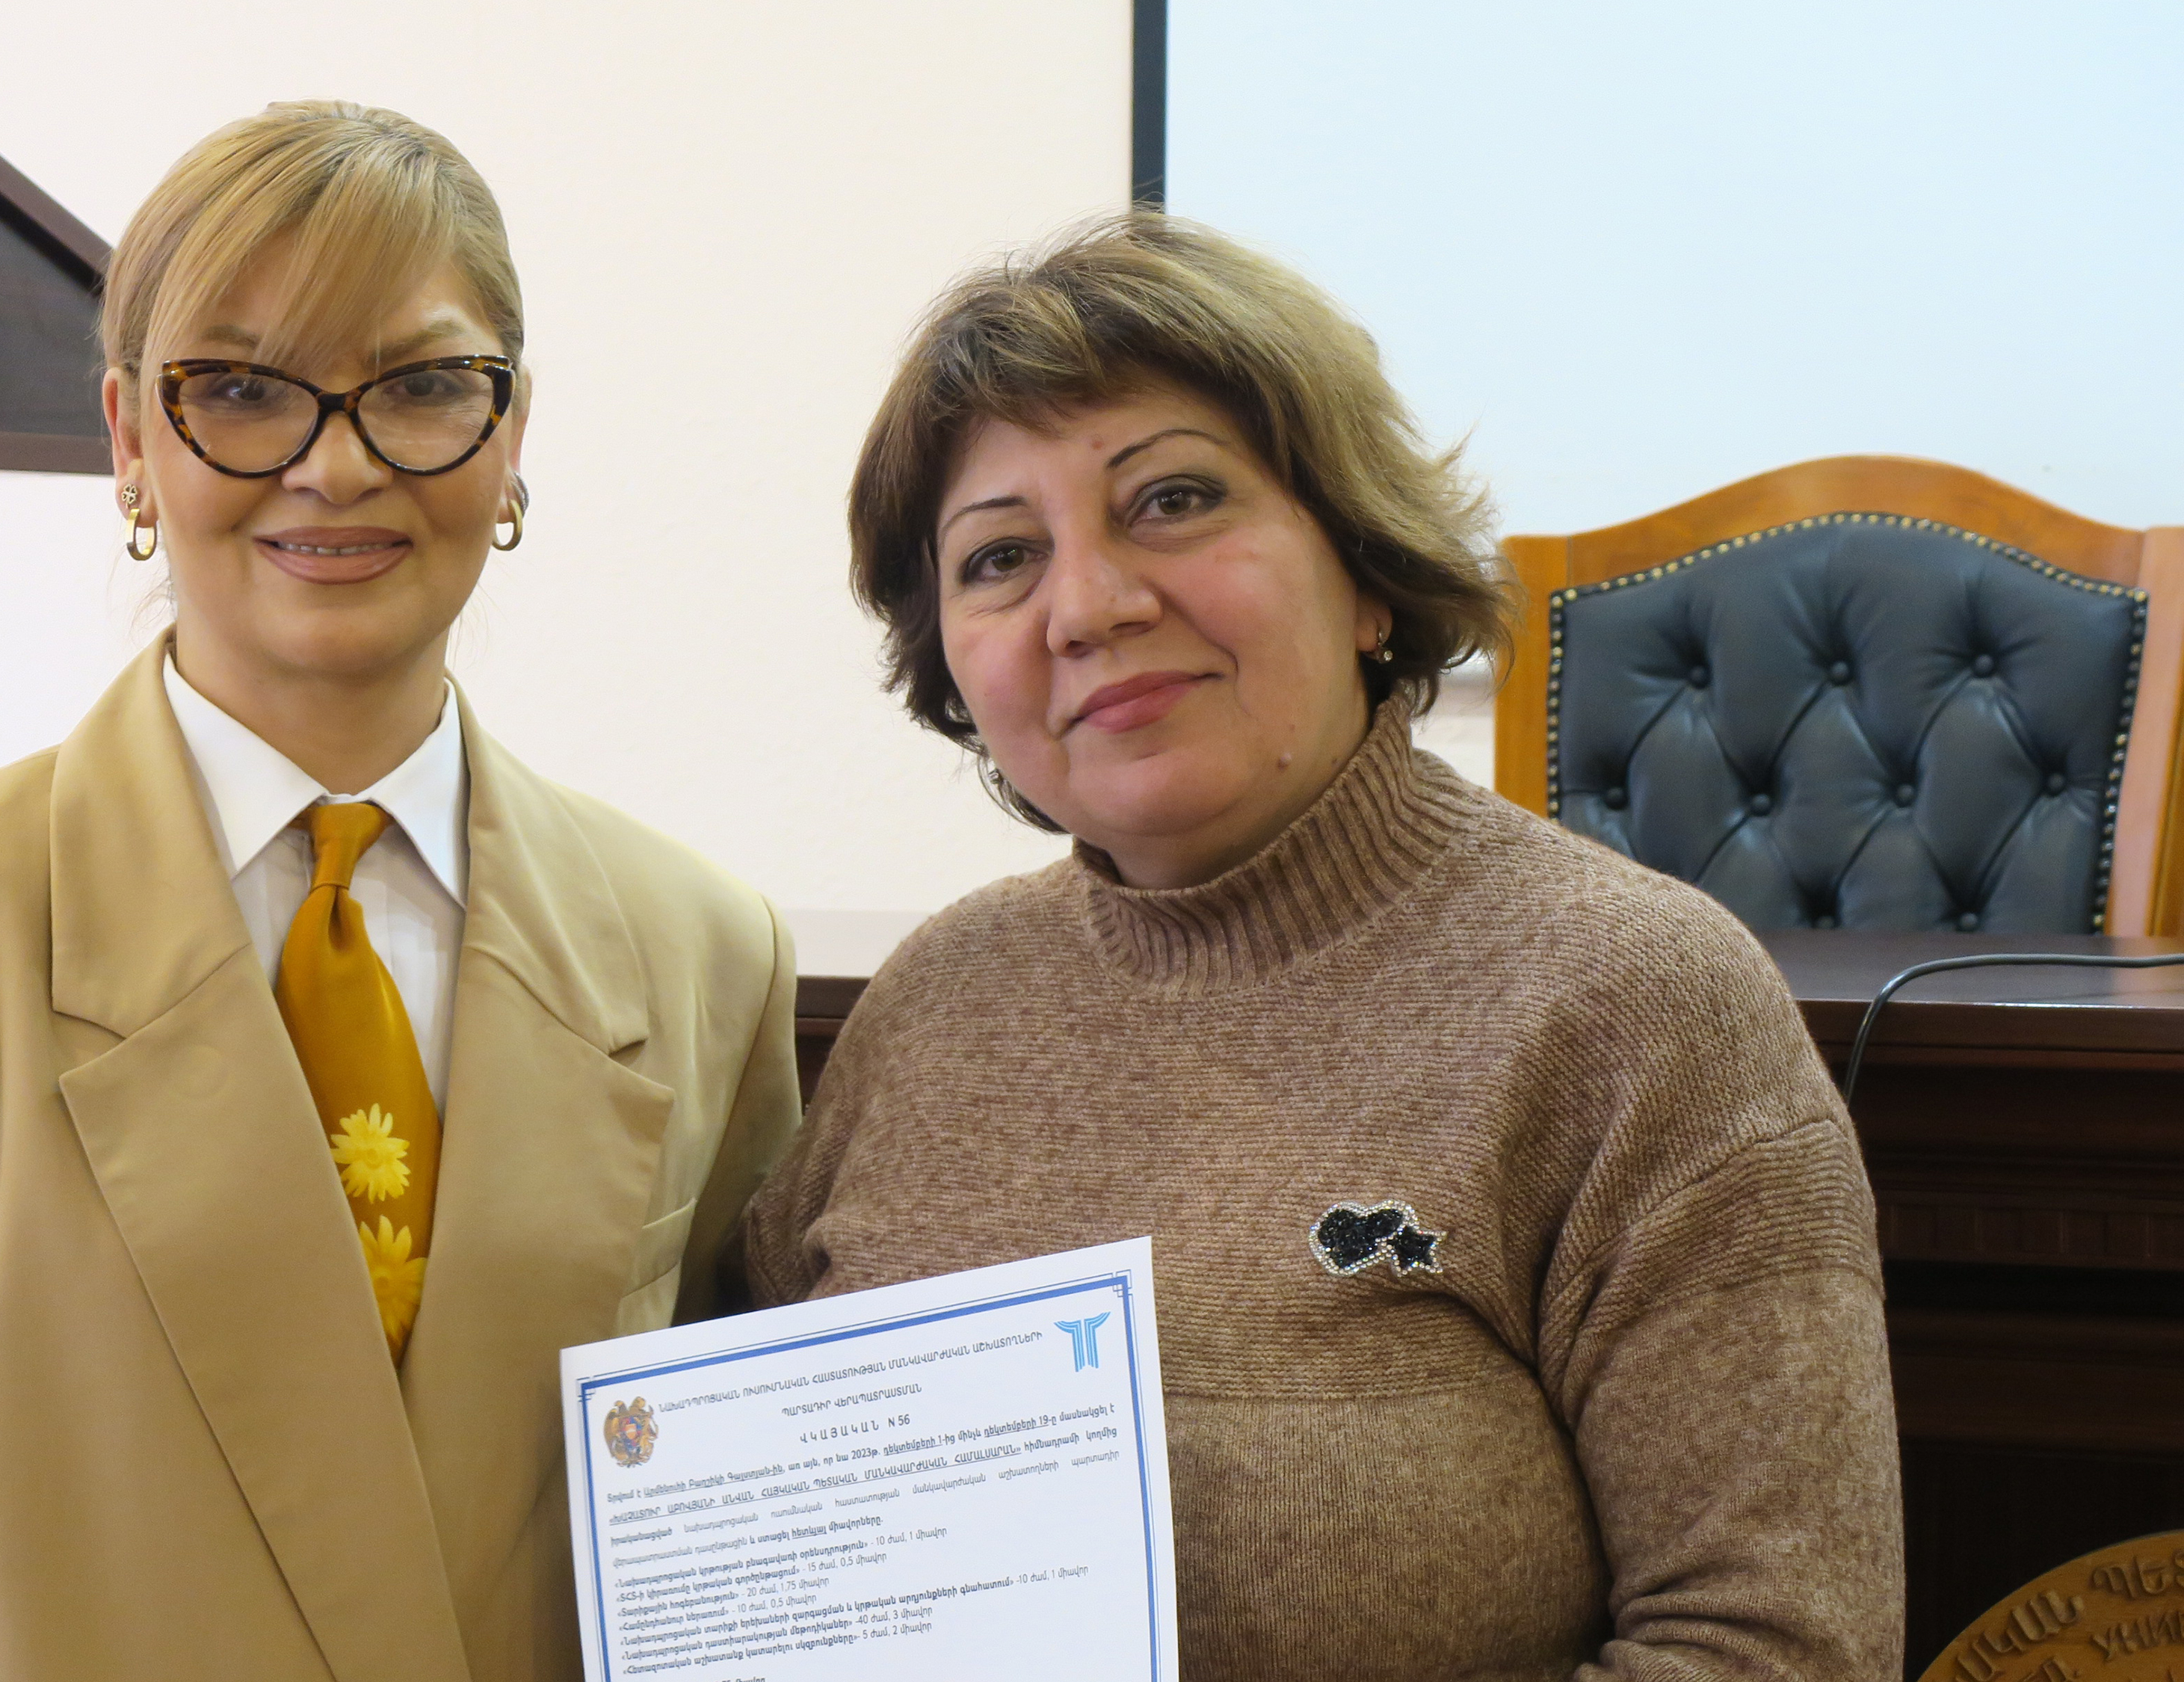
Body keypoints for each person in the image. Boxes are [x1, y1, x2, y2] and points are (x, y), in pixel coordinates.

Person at [0, 102, 799, 1682]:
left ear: (512, 432)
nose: (334, 464)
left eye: (419, 386)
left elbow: (753, 1565)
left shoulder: (704, 952)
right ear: (130, 438)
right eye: (243, 391)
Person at [741, 212, 1902, 1678]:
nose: (1087, 605)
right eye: (1000, 557)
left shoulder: (1636, 1006)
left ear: (1364, 571)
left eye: (1171, 499)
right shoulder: (929, 1006)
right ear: (955, 673)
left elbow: (1779, 1651)